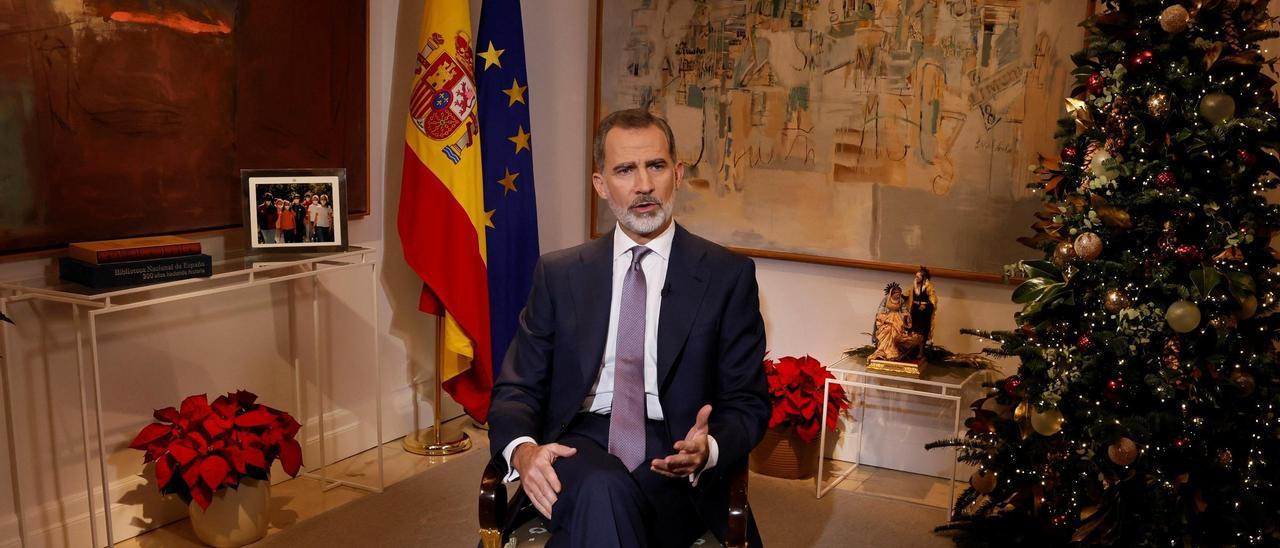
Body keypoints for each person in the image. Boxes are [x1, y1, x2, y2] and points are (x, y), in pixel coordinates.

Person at [489, 109, 769, 548]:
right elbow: (516, 389)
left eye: (655, 166)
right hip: (579, 442)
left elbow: (747, 402)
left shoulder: (725, 275)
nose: (643, 185)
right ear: (601, 184)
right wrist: (524, 453)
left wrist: (708, 448)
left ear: (676, 174)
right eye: (625, 170)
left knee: (602, 502)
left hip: (674, 453)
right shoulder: (560, 274)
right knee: (600, 486)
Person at [868, 282, 919, 362]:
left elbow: (903, 309)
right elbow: (881, 309)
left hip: (898, 318)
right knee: (887, 331)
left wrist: (906, 315)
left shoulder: (901, 300)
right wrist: (883, 317)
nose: (898, 295)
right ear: (892, 293)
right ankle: (884, 350)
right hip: (887, 318)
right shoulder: (886, 299)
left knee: (897, 332)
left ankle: (894, 350)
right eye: (897, 294)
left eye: (899, 294)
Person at [906, 266, 937, 346]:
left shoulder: (929, 287)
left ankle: (922, 349)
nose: (916, 278)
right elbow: (908, 294)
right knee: (913, 328)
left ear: (924, 277)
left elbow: (933, 299)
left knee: (922, 331)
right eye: (916, 276)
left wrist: (926, 305)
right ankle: (912, 346)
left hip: (924, 312)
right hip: (914, 310)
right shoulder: (914, 285)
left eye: (918, 276)